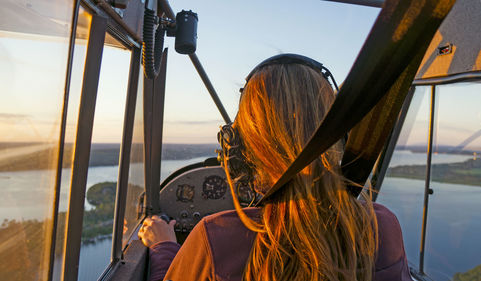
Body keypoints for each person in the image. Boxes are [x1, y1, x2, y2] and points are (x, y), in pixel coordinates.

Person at [138, 54, 412, 281]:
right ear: (340, 137)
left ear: (240, 149)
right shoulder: (382, 226)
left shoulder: (215, 239)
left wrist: (164, 247)